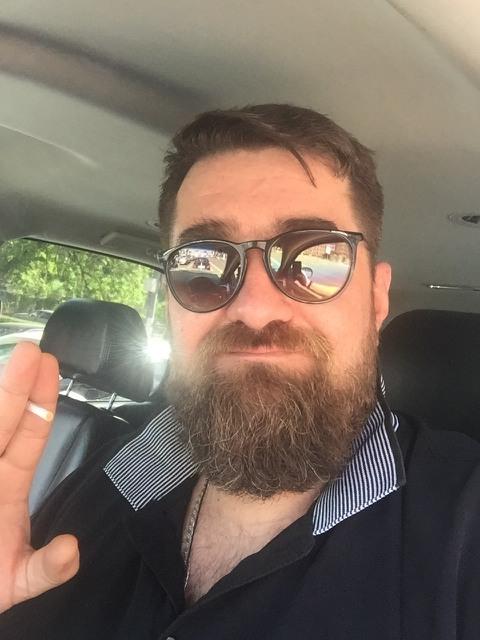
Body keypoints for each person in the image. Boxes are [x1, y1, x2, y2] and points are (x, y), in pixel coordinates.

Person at [0, 104, 479, 639]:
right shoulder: (98, 480)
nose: (254, 308)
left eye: (314, 258)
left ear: (376, 298)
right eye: (202, 263)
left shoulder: (463, 533)